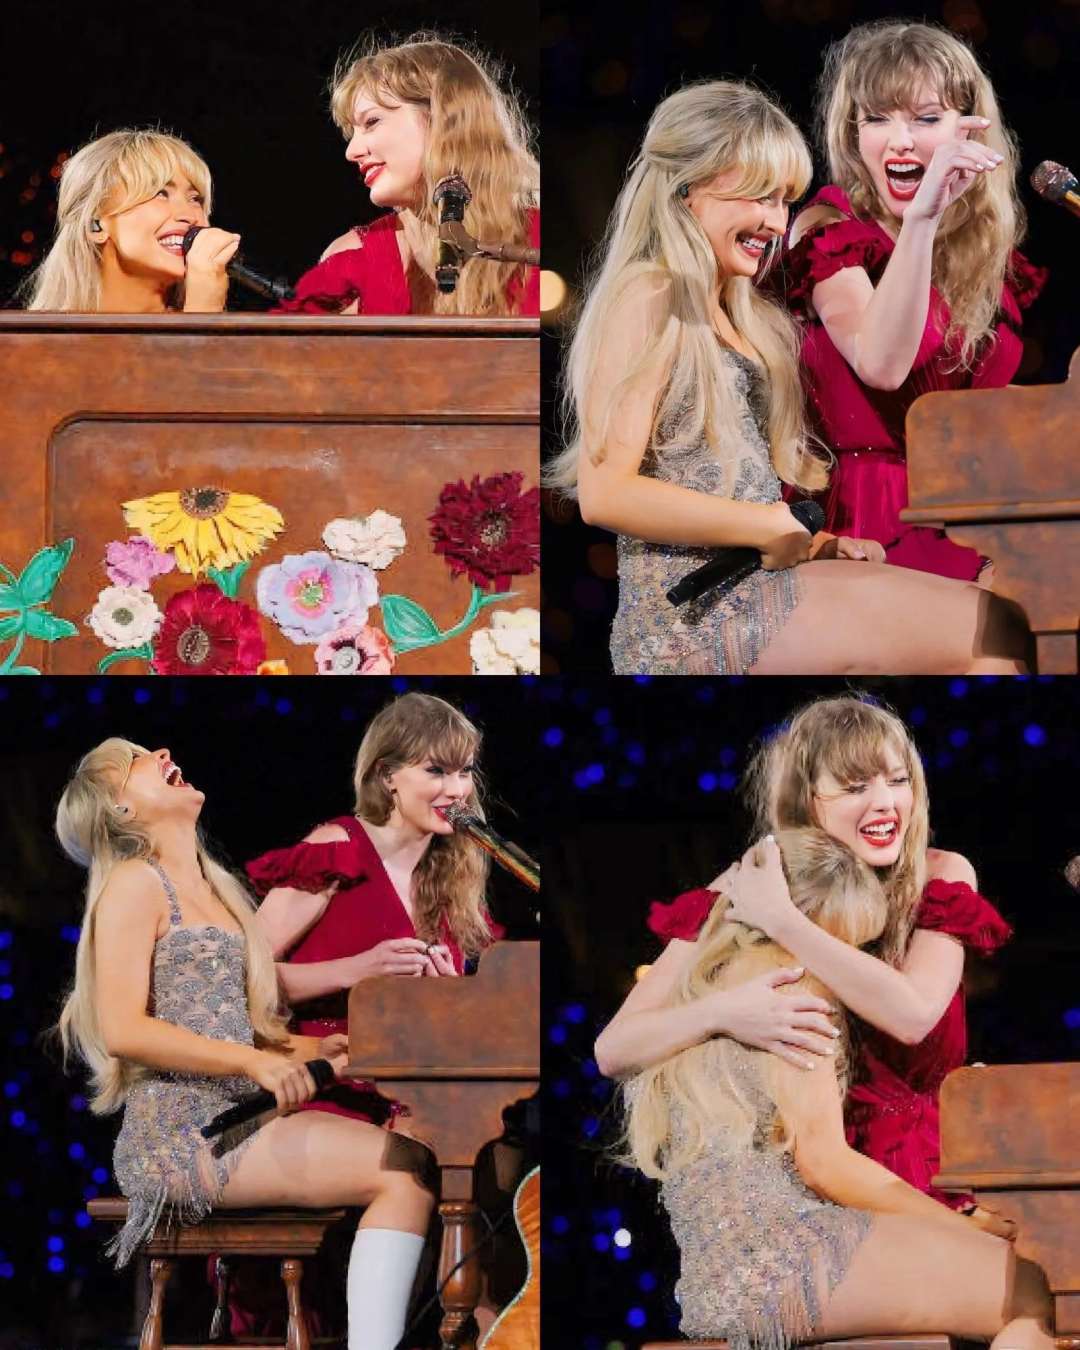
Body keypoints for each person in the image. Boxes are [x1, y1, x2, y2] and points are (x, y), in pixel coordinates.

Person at [546, 80, 1029, 674]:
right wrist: (766, 525)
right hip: (698, 618)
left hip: (754, 588)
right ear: (686, 189)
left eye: (783, 200)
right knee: (999, 630)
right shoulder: (650, 292)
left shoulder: (738, 312)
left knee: (1002, 626)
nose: (775, 221)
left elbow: (727, 487)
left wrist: (817, 544)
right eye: (756, 196)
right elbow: (606, 493)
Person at [56, 738, 436, 1350]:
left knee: (415, 1154)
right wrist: (255, 1061)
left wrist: (316, 1053)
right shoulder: (134, 882)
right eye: (135, 760)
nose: (160, 751)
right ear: (120, 808)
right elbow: (123, 1029)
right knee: (401, 1170)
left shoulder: (216, 889)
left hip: (239, 1121)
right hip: (183, 1135)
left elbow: (231, 1027)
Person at [621, 826, 1053, 1350]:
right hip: (789, 1266)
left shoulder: (697, 996)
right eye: (846, 939)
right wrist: (960, 1229)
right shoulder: (794, 998)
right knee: (1033, 1288)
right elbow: (824, 1163)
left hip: (717, 1284)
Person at [597, 696, 1013, 1232]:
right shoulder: (749, 883)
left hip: (945, 1176)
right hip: (839, 1198)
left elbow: (912, 1016)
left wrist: (786, 922)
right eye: (856, 787)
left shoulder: (940, 876)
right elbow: (613, 1050)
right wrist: (725, 1011)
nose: (885, 803)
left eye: (897, 780)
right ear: (809, 802)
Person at [783, 20, 1046, 580]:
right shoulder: (830, 228)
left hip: (965, 521)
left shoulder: (983, 258)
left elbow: (985, 415)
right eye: (877, 119)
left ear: (970, 132)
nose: (900, 140)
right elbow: (881, 363)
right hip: (861, 522)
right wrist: (923, 217)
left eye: (926, 119)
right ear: (853, 135)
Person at [246, 690, 498, 1124]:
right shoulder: (337, 849)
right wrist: (356, 969)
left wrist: (450, 998)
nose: (456, 790)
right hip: (324, 1090)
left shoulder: (452, 875)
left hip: (412, 1098)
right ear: (387, 776)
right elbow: (239, 975)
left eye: (465, 771)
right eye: (436, 770)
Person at [276, 35, 539, 317]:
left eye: (372, 121)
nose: (351, 152)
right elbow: (273, 354)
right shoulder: (353, 261)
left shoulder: (536, 240)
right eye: (352, 133)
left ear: (443, 119)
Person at [25, 129, 239, 313]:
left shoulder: (248, 342)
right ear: (95, 225)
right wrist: (203, 319)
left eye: (195, 199)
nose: (189, 215)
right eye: (161, 193)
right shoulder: (32, 347)